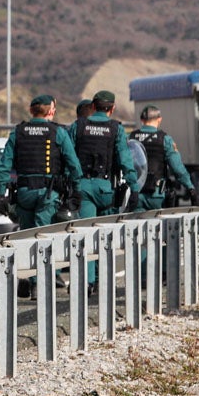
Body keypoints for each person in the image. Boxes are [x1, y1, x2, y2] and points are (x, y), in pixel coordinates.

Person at [68, 90, 138, 289]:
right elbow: (125, 159)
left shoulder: (78, 126)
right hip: (106, 187)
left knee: (86, 234)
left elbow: (68, 157)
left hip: (83, 187)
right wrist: (134, 186)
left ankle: (88, 281)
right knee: (106, 235)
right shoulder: (116, 129)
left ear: (93, 106)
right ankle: (104, 279)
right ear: (112, 108)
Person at [0, 94, 83, 228]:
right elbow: (74, 165)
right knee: (43, 237)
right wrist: (76, 191)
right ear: (50, 111)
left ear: (31, 111)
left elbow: (3, 166)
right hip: (47, 195)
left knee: (26, 236)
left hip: (24, 194)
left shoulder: (18, 132)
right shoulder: (58, 132)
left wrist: (1, 195)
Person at [130, 105, 194, 210]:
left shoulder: (131, 137)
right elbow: (177, 169)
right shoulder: (164, 139)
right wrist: (190, 187)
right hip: (157, 195)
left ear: (142, 120)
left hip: (136, 195)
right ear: (159, 120)